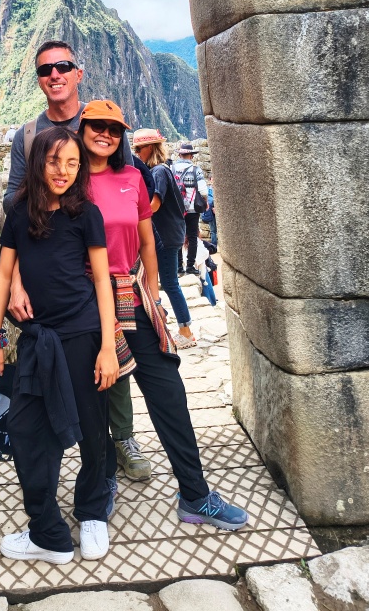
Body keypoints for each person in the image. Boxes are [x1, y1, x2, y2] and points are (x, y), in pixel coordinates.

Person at [78, 100, 249, 531]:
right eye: (95, 126)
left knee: (168, 390)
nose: (105, 134)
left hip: (131, 296)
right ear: (81, 130)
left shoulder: (132, 177)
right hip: (83, 300)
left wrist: (152, 289)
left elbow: (147, 239)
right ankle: (99, 488)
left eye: (113, 128)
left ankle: (194, 493)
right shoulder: (68, 179)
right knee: (94, 397)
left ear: (122, 136)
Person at [4, 38, 151, 483]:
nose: (55, 75)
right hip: (57, 271)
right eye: (46, 69)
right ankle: (65, 444)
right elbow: (14, 206)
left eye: (63, 66)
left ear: (78, 73)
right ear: (39, 79)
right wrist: (14, 282)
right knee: (53, 357)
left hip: (105, 263)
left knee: (113, 350)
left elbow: (128, 181)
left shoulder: (99, 122)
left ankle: (120, 437)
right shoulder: (29, 137)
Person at [0, 126, 119, 564]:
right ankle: (47, 533)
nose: (63, 171)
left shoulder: (86, 214)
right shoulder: (21, 215)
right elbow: (4, 277)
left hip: (82, 336)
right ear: (39, 162)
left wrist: (107, 347)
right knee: (26, 430)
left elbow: (102, 280)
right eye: (54, 161)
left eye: (72, 163)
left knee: (93, 429)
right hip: (39, 340)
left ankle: (93, 511)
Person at [132, 128, 196, 349]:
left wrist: (133, 217)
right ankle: (171, 323)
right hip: (172, 232)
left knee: (170, 283)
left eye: (139, 149)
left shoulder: (158, 172)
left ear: (150, 148)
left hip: (166, 235)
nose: (138, 153)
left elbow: (154, 205)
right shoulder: (164, 168)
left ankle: (186, 331)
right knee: (166, 282)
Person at [172, 142, 208, 276]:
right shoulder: (195, 169)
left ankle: (178, 267)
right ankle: (190, 266)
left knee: (179, 236)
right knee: (192, 236)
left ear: (180, 154)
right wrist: (205, 201)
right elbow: (203, 190)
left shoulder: (173, 168)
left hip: (177, 208)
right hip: (192, 208)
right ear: (191, 156)